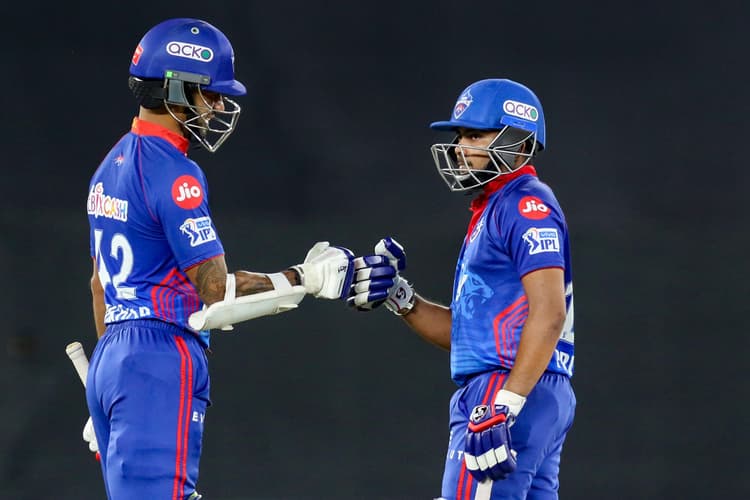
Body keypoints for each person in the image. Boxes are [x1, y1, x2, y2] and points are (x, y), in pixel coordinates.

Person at [83, 18, 354, 500]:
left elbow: (99, 286)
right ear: (175, 88)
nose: (219, 107)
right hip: (158, 354)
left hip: (113, 356)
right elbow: (215, 290)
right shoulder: (176, 173)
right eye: (210, 94)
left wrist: (109, 380)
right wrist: (304, 277)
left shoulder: (108, 167)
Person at [349, 78, 576, 499]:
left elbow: (549, 313)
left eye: (474, 135)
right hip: (532, 386)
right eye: (460, 136)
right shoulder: (497, 206)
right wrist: (400, 297)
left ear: (517, 141)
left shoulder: (523, 204)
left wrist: (505, 404)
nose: (459, 147)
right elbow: (468, 335)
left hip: (508, 386)